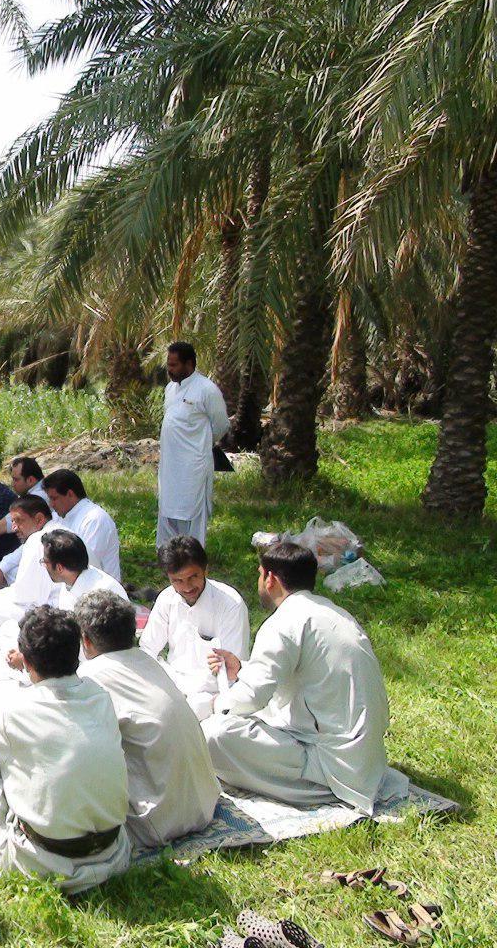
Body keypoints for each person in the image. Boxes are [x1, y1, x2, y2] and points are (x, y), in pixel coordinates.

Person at [203, 542, 404, 814]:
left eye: (260, 575)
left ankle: (321, 791)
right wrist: (240, 668)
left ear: (270, 578)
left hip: (334, 764)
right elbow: (293, 675)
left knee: (214, 734)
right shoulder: (333, 613)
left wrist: (214, 705)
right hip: (365, 759)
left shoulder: (284, 622)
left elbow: (253, 697)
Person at [0, 605, 131, 892]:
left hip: (44, 864)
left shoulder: (15, 712)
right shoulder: (100, 696)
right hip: (114, 851)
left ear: (27, 662)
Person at [74, 590, 220, 849]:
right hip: (205, 802)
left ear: (85, 640)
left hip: (154, 823)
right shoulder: (149, 661)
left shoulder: (91, 676)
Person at [140, 536, 250, 720]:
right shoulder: (167, 599)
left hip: (211, 696)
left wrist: (187, 693)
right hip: (172, 686)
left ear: (205, 569)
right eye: (178, 581)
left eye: (193, 577)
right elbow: (148, 649)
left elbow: (229, 670)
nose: (187, 587)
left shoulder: (231, 604)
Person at [0, 529, 129, 669]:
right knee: (9, 628)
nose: (43, 565)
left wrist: (28, 658)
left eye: (44, 561)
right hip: (74, 649)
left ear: (59, 567)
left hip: (93, 662)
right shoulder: (74, 579)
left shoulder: (99, 595)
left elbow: (82, 648)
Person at [158, 341, 230, 548]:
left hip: (194, 464)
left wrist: (201, 443)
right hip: (171, 463)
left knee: (191, 510)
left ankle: (192, 553)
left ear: (189, 364)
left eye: (174, 365)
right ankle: (169, 551)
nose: (169, 370)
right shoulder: (170, 389)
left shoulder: (207, 389)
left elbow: (221, 424)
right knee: (169, 507)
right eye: (168, 364)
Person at [0, 496, 64, 644]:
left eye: (19, 521)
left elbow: (25, 597)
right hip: (59, 606)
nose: (14, 527)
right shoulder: (55, 531)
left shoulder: (38, 541)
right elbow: (11, 561)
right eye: (13, 522)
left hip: (57, 615)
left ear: (39, 520)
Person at [42, 468, 122, 581]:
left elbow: (84, 565)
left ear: (70, 494)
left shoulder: (95, 519)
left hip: (99, 591)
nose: (51, 504)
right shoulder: (60, 516)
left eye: (54, 498)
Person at [0, 457, 45, 587]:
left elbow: (9, 522)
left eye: (16, 479)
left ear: (30, 480)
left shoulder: (39, 496)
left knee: (3, 539)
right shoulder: (32, 493)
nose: (13, 483)